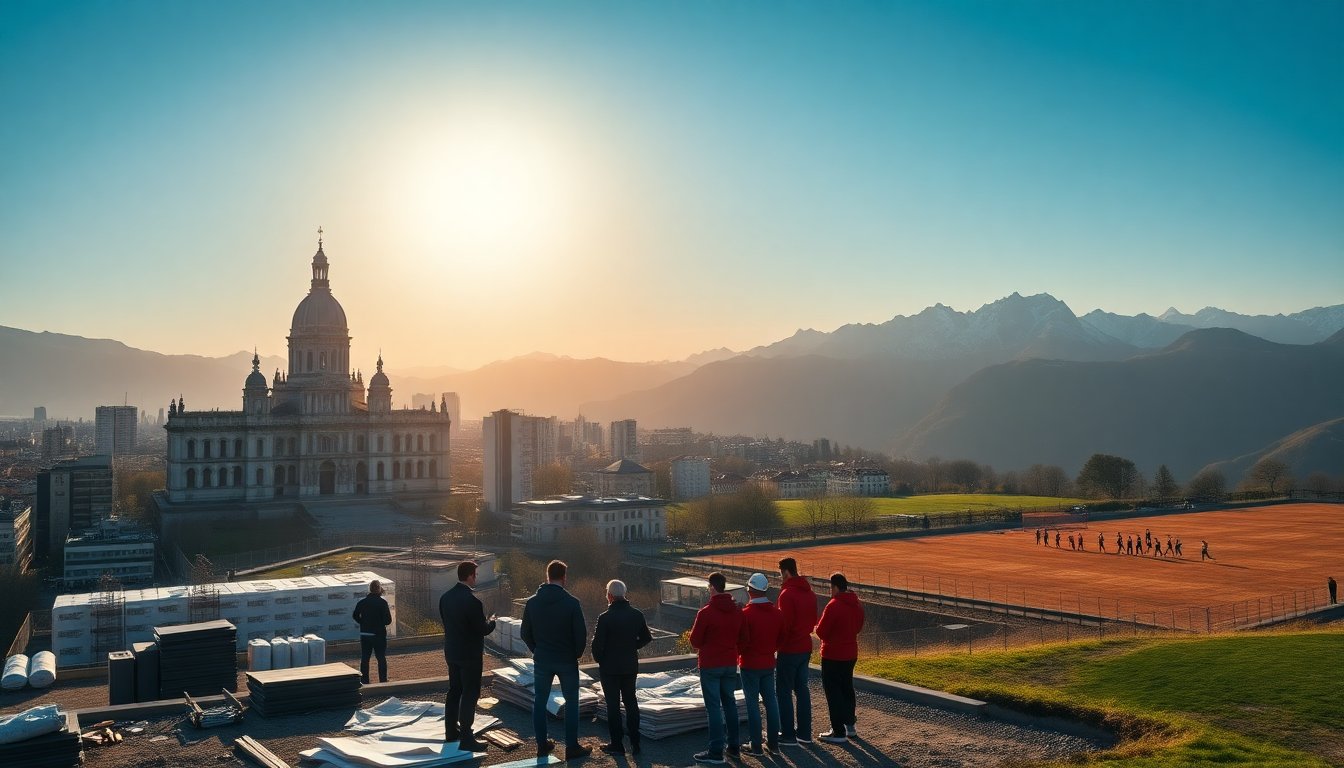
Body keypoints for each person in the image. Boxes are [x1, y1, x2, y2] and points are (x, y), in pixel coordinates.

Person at [521, 560, 591, 760]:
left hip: (543, 658)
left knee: (540, 700)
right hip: (566, 659)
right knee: (571, 702)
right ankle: (571, 747)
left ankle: (542, 745)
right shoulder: (572, 603)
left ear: (547, 576)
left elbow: (525, 632)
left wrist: (537, 649)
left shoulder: (532, 602)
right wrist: (575, 654)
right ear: (564, 577)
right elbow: (580, 634)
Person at [439, 561, 496, 751]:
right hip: (470, 655)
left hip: (452, 652)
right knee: (471, 693)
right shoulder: (473, 601)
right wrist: (492, 622)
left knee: (454, 690)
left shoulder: (445, 598)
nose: (476, 579)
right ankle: (466, 737)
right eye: (475, 575)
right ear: (470, 576)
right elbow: (482, 630)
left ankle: (450, 731)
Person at [591, 579, 652, 756]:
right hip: (629, 665)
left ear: (609, 595)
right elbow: (647, 638)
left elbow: (596, 646)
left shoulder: (605, 618)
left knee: (613, 706)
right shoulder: (637, 615)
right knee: (631, 702)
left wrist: (601, 660)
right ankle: (635, 742)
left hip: (610, 669)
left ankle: (617, 744)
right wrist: (633, 646)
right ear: (624, 594)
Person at [689, 572, 743, 764]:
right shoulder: (737, 610)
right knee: (730, 704)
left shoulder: (705, 613)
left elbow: (695, 641)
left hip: (710, 664)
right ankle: (734, 747)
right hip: (730, 662)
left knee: (713, 708)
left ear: (712, 587)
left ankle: (715, 751)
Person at [738, 573, 784, 756]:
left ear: (750, 590)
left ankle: (756, 745)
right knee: (771, 702)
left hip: (749, 663)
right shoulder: (777, 614)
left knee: (752, 704)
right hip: (768, 662)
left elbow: (741, 642)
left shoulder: (746, 614)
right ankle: (773, 744)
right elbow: (781, 638)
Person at [816, 572, 864, 744]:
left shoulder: (833, 605)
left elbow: (821, 631)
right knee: (847, 689)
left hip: (832, 655)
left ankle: (838, 731)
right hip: (851, 653)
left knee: (833, 692)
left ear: (835, 587)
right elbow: (858, 627)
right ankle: (850, 726)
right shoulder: (856, 604)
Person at [775, 557, 817, 747]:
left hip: (789, 648)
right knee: (802, 689)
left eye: (780, 574)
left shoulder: (786, 595)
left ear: (785, 572)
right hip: (805, 646)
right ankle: (805, 733)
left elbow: (784, 626)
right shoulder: (810, 593)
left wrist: (776, 645)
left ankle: (788, 734)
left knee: (783, 691)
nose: (780, 578)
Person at [352, 579, 392, 685]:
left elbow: (355, 615)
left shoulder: (362, 602)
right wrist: (379, 623)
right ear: (379, 589)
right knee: (381, 658)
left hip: (365, 634)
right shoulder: (382, 603)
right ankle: (383, 681)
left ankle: (364, 681)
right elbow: (388, 621)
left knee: (365, 658)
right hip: (378, 635)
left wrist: (363, 623)